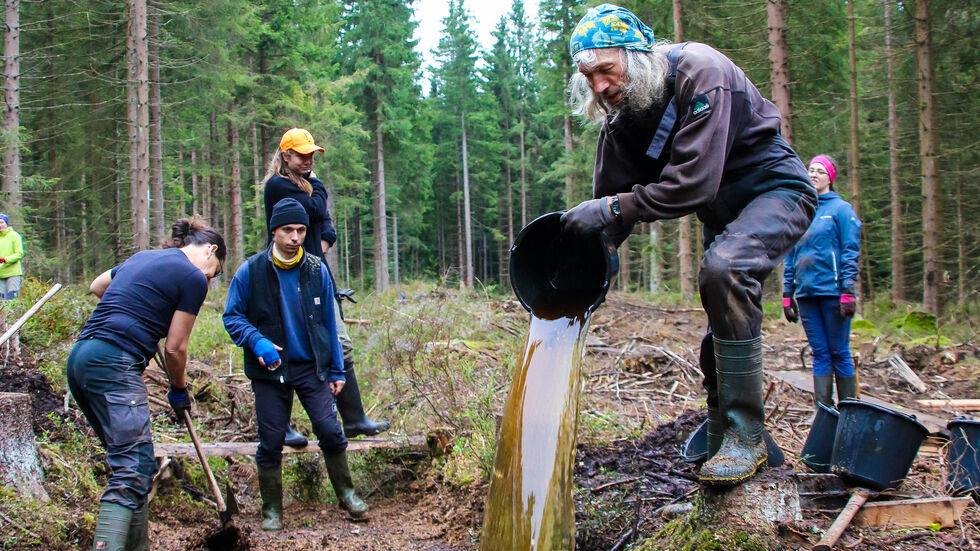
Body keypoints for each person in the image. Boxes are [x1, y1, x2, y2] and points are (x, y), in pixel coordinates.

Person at [561, 4, 816, 486]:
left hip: (776, 191)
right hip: (724, 211)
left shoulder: (702, 72)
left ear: (634, 57)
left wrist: (613, 210)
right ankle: (722, 424)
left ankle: (746, 435)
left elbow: (692, 185)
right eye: (587, 76)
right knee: (721, 305)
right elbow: (608, 202)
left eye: (605, 71)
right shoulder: (624, 115)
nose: (598, 86)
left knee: (724, 271)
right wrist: (593, 257)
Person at [67, 218, 225, 551]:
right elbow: (175, 347)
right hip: (114, 364)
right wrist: (179, 391)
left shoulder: (142, 258)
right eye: (215, 272)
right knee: (134, 467)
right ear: (210, 250)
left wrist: (138, 309)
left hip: (82, 357)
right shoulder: (193, 277)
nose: (209, 280)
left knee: (131, 463)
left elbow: (98, 286)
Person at [223, 198, 368, 530]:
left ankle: (346, 494)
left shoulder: (317, 270)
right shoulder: (251, 271)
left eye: (301, 230)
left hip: (309, 366)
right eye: (288, 230)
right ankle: (272, 509)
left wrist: (335, 369)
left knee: (331, 430)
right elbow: (232, 316)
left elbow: (329, 325)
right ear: (274, 231)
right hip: (270, 370)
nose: (295, 237)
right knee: (271, 440)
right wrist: (256, 340)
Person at [263, 127, 389, 441]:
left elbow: (324, 222)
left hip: (316, 274)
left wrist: (325, 238)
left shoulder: (305, 184)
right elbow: (315, 210)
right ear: (285, 155)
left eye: (311, 155)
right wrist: (317, 185)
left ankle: (355, 418)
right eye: (302, 154)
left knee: (340, 343)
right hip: (284, 276)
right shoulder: (278, 186)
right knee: (289, 348)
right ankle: (282, 426)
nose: (308, 160)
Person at [783, 155, 861, 410]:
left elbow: (850, 250)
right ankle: (824, 413)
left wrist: (848, 289)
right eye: (811, 170)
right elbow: (791, 253)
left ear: (830, 178)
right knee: (820, 353)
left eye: (819, 171)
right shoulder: (802, 210)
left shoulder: (841, 210)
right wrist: (787, 293)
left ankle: (850, 411)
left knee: (839, 351)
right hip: (806, 294)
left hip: (834, 293)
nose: (814, 174)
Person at [0, 213, 24, 300]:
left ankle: (13, 314)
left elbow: (19, 254)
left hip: (13, 272)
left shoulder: (14, 236)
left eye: (1, 222)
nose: (0, 225)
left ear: (6, 223)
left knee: (12, 297)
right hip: (0, 273)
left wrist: (6, 260)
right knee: (1, 299)